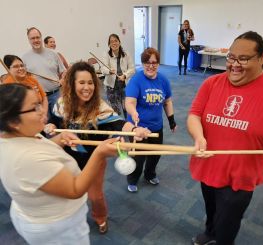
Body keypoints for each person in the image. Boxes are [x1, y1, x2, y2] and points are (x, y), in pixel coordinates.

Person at [187, 31, 263, 245]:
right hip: (208, 164)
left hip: (240, 176)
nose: (234, 64)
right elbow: (194, 114)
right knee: (211, 207)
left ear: (262, 58)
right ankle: (210, 232)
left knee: (229, 221)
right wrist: (198, 137)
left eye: (243, 59)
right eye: (231, 57)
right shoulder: (212, 83)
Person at [0, 83, 120, 244]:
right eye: (34, 107)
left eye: (39, 103)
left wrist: (60, 138)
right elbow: (75, 189)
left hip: (35, 213)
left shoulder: (16, 135)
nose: (42, 110)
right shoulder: (26, 158)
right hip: (56, 228)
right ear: (13, 121)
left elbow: (41, 148)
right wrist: (99, 154)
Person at [46, 61, 151, 233]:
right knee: (69, 194)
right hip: (67, 158)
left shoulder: (100, 107)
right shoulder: (61, 104)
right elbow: (53, 121)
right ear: (72, 84)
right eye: (81, 82)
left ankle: (100, 217)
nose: (87, 87)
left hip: (94, 159)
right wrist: (50, 126)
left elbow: (118, 123)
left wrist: (134, 129)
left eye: (90, 83)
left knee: (95, 196)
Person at [125, 47, 177, 193]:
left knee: (155, 154)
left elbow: (167, 101)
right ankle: (133, 179)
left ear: (158, 64)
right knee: (138, 157)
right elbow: (129, 102)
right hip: (138, 128)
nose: (151, 65)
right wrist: (134, 112)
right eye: (147, 62)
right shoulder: (136, 80)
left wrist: (171, 120)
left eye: (154, 62)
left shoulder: (163, 80)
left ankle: (150, 175)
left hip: (156, 126)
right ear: (142, 64)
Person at [22, 27, 66, 119]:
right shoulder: (25, 58)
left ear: (41, 38)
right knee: (46, 125)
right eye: (33, 38)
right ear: (29, 40)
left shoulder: (53, 53)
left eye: (37, 37)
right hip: (39, 99)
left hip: (56, 94)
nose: (36, 40)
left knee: (62, 121)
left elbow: (63, 71)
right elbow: (24, 78)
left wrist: (62, 79)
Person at [3, 55, 48, 119]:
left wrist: (44, 114)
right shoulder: (7, 85)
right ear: (8, 70)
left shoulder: (32, 80)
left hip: (40, 116)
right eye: (16, 66)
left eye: (22, 65)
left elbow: (44, 98)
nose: (20, 68)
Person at [102, 34, 135, 118]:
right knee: (115, 111)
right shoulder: (106, 55)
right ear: (109, 44)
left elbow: (132, 69)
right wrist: (109, 71)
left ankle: (129, 126)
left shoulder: (126, 54)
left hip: (124, 86)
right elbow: (103, 69)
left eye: (115, 41)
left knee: (126, 108)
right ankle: (119, 127)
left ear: (119, 42)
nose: (114, 43)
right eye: (111, 42)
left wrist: (125, 75)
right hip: (111, 88)